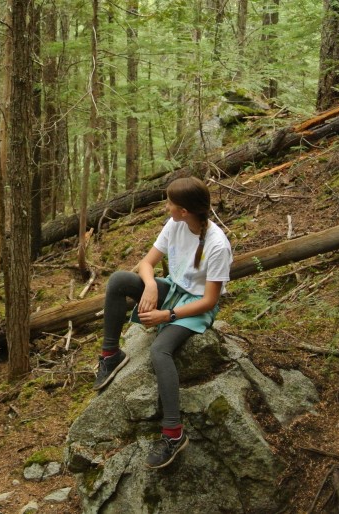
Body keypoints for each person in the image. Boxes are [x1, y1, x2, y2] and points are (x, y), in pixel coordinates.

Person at [92, 176, 232, 469]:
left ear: (184, 211)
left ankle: (173, 434)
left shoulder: (218, 245)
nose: (166, 207)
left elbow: (209, 301)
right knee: (119, 280)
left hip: (196, 307)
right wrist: (152, 285)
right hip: (172, 289)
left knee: (159, 351)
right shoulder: (176, 224)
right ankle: (110, 355)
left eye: (171, 203)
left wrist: (165, 316)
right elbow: (146, 263)